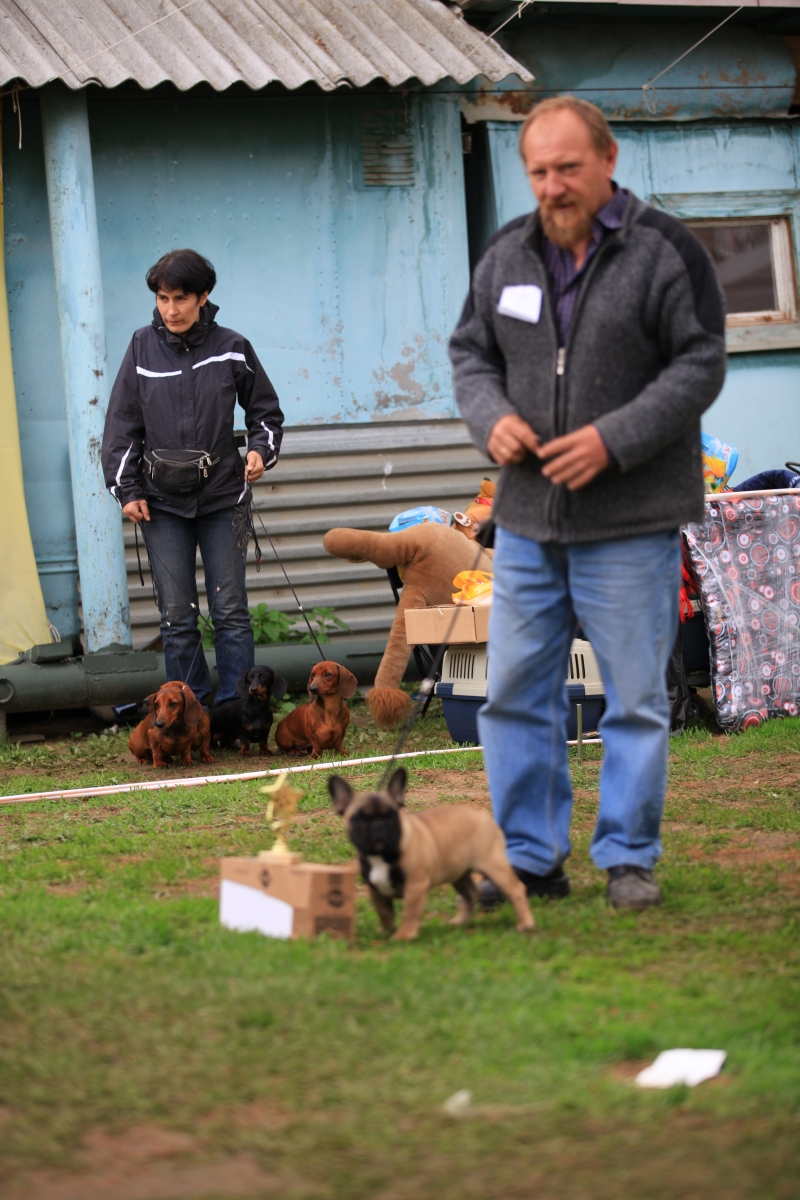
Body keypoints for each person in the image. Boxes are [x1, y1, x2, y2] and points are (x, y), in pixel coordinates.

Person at [449, 96, 726, 910]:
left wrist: (615, 439)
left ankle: (629, 858)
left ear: (607, 159)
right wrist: (490, 416)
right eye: (538, 171)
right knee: (512, 696)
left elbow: (700, 362)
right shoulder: (508, 251)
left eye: (568, 168)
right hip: (530, 522)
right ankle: (532, 858)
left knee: (634, 699)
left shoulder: (665, 251)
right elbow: (471, 354)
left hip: (631, 521)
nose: (553, 186)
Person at [102, 248, 284, 708]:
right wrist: (127, 491)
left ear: (204, 296)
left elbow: (266, 413)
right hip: (161, 505)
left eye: (180, 298)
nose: (171, 309)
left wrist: (261, 451)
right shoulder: (141, 347)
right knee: (177, 617)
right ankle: (190, 712)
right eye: (163, 298)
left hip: (224, 497)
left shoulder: (232, 347)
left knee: (230, 611)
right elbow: (122, 426)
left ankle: (239, 712)